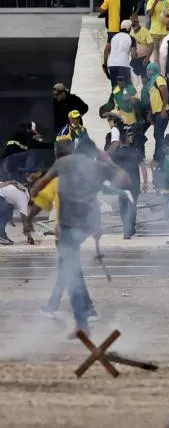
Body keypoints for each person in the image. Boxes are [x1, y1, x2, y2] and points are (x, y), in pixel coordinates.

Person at [29, 142, 129, 336]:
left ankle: (82, 322)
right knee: (71, 268)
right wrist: (107, 160)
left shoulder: (63, 162)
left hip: (67, 224)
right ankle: (85, 313)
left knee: (70, 269)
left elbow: (41, 185)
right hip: (87, 225)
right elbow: (124, 180)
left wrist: (34, 191)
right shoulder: (98, 166)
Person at [142, 62, 169, 165]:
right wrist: (150, 113)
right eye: (147, 70)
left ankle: (159, 159)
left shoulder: (159, 79)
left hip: (163, 111)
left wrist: (163, 109)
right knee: (158, 135)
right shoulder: (151, 82)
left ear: (155, 70)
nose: (148, 72)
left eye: (150, 70)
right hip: (156, 112)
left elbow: (165, 93)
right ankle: (160, 157)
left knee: (158, 135)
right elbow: (152, 99)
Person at [102, 19, 134, 87]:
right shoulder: (131, 38)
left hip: (112, 65)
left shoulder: (112, 37)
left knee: (115, 87)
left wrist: (105, 65)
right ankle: (126, 97)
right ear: (129, 28)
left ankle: (116, 96)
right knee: (127, 88)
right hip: (124, 65)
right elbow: (134, 55)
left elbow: (106, 51)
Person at [0, 179, 30, 245]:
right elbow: (24, 218)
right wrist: (29, 235)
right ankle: (1, 236)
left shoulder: (18, 189)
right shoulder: (24, 197)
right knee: (4, 215)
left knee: (6, 211)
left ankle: (2, 236)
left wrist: (10, 217)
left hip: (2, 193)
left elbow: (9, 205)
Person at [129, 14, 153, 80]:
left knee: (146, 80)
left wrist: (147, 57)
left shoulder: (145, 31)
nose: (133, 23)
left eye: (135, 21)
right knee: (131, 80)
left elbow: (151, 44)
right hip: (134, 61)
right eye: (132, 22)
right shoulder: (130, 32)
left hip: (144, 60)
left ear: (138, 22)